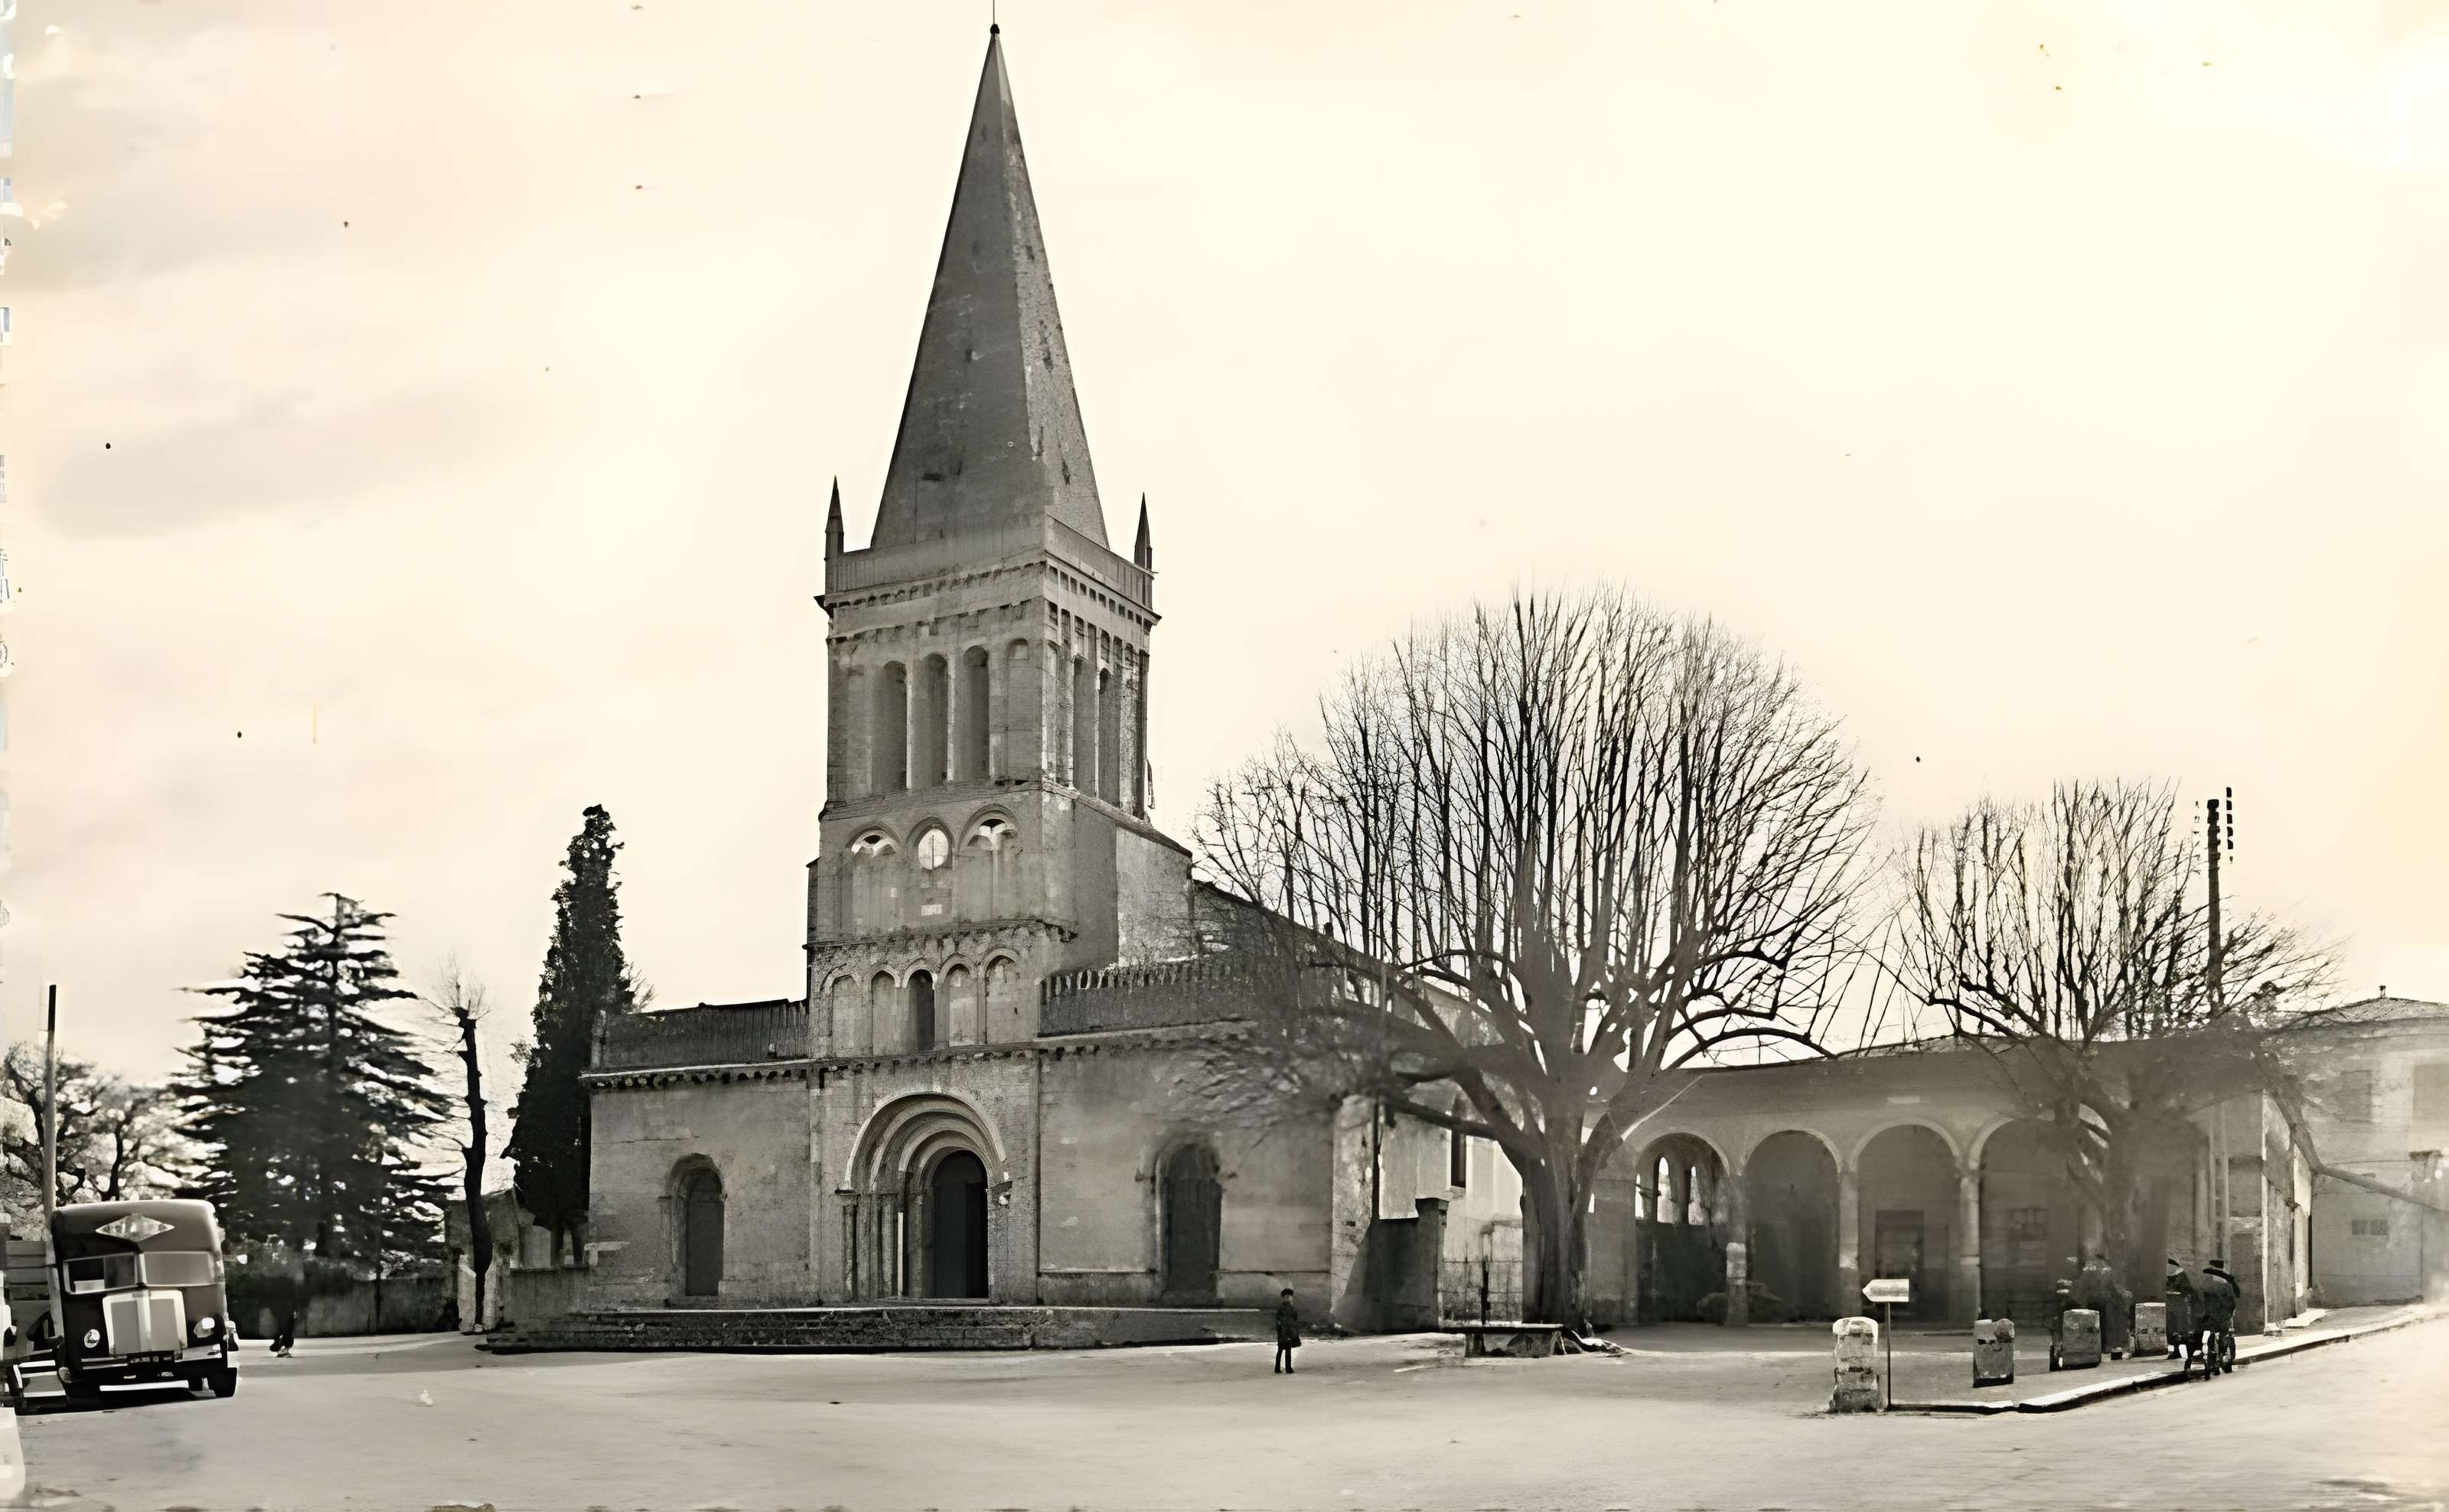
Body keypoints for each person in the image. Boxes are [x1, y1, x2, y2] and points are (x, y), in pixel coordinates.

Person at [2076, 1253, 2132, 1359]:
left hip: (2096, 1301)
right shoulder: (2102, 1268)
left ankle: (2098, 1347)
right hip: (2099, 1301)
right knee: (2101, 1325)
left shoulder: (2093, 1267)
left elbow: (2109, 1286)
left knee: (2097, 1326)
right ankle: (2101, 1347)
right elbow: (2110, 1286)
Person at [2196, 1260, 2239, 1374]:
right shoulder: (2228, 1280)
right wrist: (2231, 1310)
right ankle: (2223, 1353)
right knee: (2224, 1334)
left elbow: (2199, 1296)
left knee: (2210, 1332)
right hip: (2222, 1314)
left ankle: (2211, 1357)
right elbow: (2235, 1297)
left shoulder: (2206, 1281)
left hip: (2209, 1314)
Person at [2163, 1258, 2198, 1361]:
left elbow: (2187, 1289)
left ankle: (2182, 1352)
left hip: (2178, 1305)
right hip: (2173, 1304)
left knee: (2180, 1328)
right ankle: (2176, 1351)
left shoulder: (2181, 1275)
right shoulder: (2178, 1275)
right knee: (2173, 1328)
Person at [1273, 1288, 1301, 1375]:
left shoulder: (1285, 1308)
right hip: (1285, 1333)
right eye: (1286, 1297)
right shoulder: (1287, 1308)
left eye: (1289, 1297)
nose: (1288, 1298)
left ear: (1291, 1297)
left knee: (1281, 1350)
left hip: (1284, 1333)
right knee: (1285, 1351)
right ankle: (1288, 1368)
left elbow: (1294, 1322)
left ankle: (1278, 1368)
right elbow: (1287, 1322)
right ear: (1284, 1298)